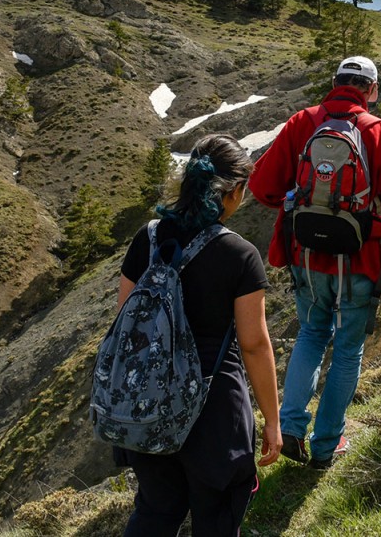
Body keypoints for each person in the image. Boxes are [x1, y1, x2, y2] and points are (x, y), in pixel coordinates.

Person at [249, 56, 381, 470]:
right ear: (371, 90)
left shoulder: (301, 123)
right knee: (347, 351)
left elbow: (262, 186)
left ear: (335, 84)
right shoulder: (379, 132)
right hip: (360, 260)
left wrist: (301, 200)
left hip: (307, 257)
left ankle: (290, 427)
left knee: (311, 333)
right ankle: (327, 445)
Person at [115, 133, 280, 536]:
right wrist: (272, 422)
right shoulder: (239, 254)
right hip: (213, 408)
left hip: (149, 401)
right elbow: (254, 345)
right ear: (232, 192)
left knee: (155, 511)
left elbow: (124, 319)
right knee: (217, 516)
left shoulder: (149, 238)